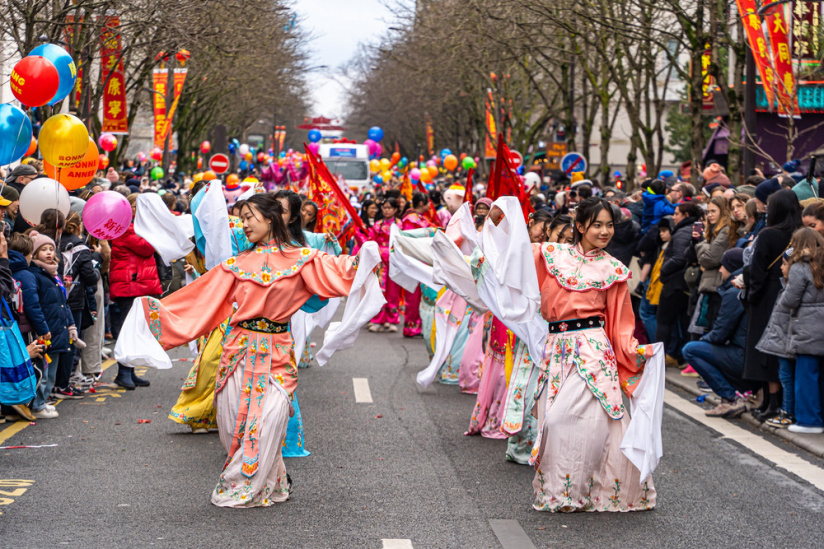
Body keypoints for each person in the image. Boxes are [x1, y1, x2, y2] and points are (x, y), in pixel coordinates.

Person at [115, 193, 380, 507]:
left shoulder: (304, 260)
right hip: (237, 352)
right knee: (233, 427)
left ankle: (241, 485)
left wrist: (366, 255)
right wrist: (150, 312)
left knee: (269, 420)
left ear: (270, 218)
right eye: (241, 218)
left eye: (249, 217)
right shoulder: (234, 266)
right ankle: (273, 479)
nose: (244, 224)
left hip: (277, 353)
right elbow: (198, 300)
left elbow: (344, 270)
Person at [480, 197, 656, 512]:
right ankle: (563, 494)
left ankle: (582, 492)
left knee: (570, 421)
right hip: (556, 347)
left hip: (592, 349)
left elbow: (620, 323)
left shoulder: (613, 270)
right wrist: (498, 217)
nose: (605, 231)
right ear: (580, 226)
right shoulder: (549, 254)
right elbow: (508, 254)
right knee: (557, 421)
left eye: (609, 225)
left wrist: (636, 352)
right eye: (597, 224)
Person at [744, 189, 802, 422]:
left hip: (767, 296)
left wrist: (751, 297)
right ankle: (785, 404)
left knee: (765, 351)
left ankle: (770, 402)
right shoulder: (802, 234)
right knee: (785, 352)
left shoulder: (768, 235)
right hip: (793, 294)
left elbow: (756, 271)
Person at [683, 248, 753, 417]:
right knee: (702, 349)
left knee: (690, 350)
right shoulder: (742, 288)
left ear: (732, 268)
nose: (720, 270)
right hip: (748, 354)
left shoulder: (734, 292)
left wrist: (703, 341)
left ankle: (731, 398)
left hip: (741, 355)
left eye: (723, 266)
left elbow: (720, 334)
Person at [16, 231, 78, 412]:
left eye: (51, 249)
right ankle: (38, 404)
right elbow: (34, 305)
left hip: (57, 329)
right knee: (43, 370)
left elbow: (62, 303)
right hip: (46, 331)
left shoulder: (54, 275)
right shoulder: (35, 274)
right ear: (34, 253)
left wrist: (70, 325)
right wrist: (43, 328)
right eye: (44, 249)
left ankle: (44, 399)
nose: (49, 252)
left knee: (51, 372)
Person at [770, 228, 824, 434]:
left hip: (807, 327)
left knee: (806, 375)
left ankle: (808, 421)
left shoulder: (800, 266)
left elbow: (791, 299)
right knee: (820, 376)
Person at [109, 194, 161, 389]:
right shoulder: (125, 228)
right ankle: (123, 373)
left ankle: (129, 371)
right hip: (130, 285)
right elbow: (147, 248)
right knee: (127, 330)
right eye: (135, 206)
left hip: (136, 284)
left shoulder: (134, 227)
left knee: (135, 329)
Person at [656, 201, 702, 364]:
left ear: (686, 215)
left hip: (675, 282)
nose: (673, 217)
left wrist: (663, 271)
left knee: (663, 321)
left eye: (676, 214)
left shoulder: (683, 231)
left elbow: (679, 258)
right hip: (685, 283)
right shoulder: (693, 228)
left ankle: (658, 360)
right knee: (684, 322)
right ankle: (682, 358)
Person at [368, 197, 402, 332]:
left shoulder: (399, 225)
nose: (387, 210)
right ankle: (377, 320)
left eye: (389, 208)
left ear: (395, 209)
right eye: (385, 208)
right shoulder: (378, 225)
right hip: (380, 262)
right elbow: (372, 241)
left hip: (394, 261)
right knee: (379, 290)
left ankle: (392, 319)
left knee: (393, 292)